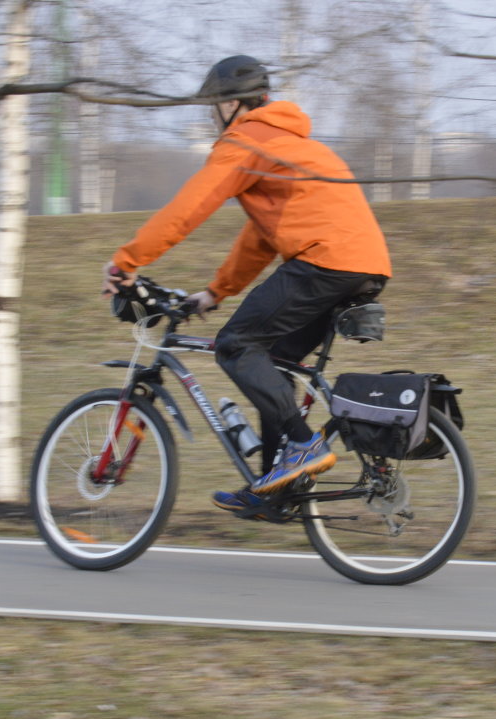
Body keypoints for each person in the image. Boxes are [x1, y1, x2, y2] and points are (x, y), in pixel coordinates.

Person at [102, 55, 392, 514]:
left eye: (212, 105)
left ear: (231, 104)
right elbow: (260, 238)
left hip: (324, 260)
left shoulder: (245, 140)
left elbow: (187, 210)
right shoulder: (288, 144)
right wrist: (217, 291)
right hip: (364, 264)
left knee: (235, 345)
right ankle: (275, 490)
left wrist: (126, 261)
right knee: (272, 358)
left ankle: (303, 447)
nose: (211, 115)